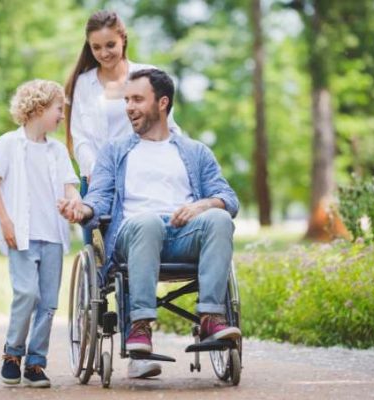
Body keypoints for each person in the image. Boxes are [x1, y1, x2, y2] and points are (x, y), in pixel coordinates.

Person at [59, 69, 242, 361]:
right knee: (148, 221)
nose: (129, 107)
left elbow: (229, 199)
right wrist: (83, 208)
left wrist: (202, 206)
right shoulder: (115, 151)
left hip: (184, 235)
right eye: (127, 100)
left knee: (220, 218)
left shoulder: (196, 152)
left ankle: (210, 317)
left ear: (162, 103)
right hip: (134, 237)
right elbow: (100, 198)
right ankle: (139, 325)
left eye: (137, 99)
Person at [64, 9, 179, 378]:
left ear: (123, 38)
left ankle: (138, 350)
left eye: (110, 45)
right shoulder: (84, 83)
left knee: (135, 257)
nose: (104, 53)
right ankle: (101, 329)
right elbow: (80, 135)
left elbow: (167, 122)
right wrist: (98, 173)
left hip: (143, 178)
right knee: (104, 266)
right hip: (99, 180)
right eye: (96, 47)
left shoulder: (145, 75)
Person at [0, 79, 81, 387]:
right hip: (22, 235)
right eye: (58, 109)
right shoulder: (8, 144)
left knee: (48, 303)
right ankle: (13, 353)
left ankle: (36, 362)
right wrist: (5, 222)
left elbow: (70, 186)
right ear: (39, 108)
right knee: (27, 294)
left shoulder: (57, 151)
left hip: (53, 234)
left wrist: (74, 202)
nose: (62, 116)